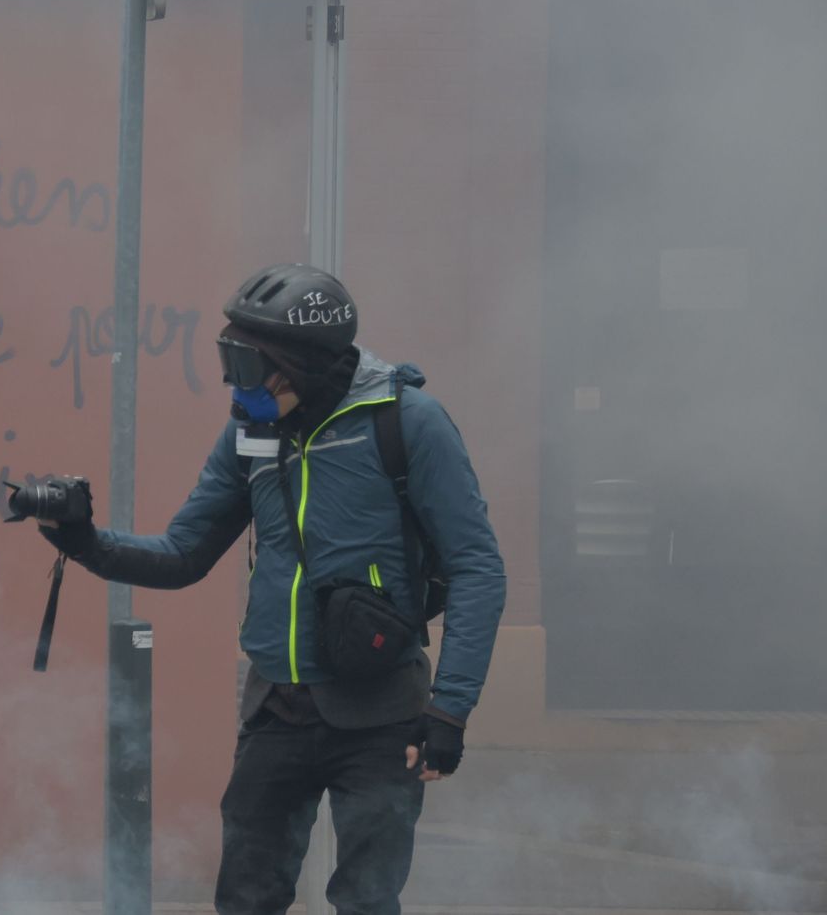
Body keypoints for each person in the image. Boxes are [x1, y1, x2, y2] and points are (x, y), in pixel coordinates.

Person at [38, 262, 506, 915]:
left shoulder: (408, 424)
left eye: (252, 368)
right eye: (231, 360)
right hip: (275, 712)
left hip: (380, 713)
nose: (238, 387)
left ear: (307, 365)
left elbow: (479, 568)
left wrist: (450, 710)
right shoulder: (251, 433)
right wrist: (83, 540)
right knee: (246, 898)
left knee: (366, 901)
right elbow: (181, 555)